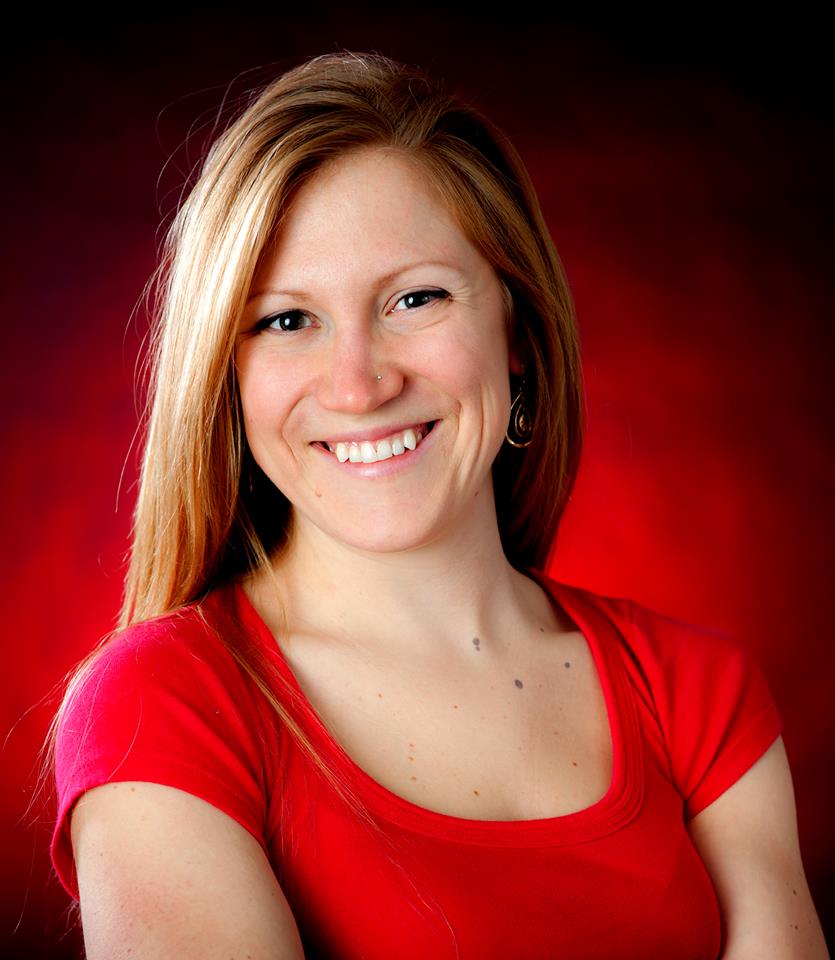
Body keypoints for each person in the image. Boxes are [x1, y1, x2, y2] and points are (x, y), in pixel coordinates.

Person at [48, 51, 828, 959]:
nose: (359, 384)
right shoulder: (163, 705)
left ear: (519, 336)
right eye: (286, 320)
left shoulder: (699, 693)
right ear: (226, 374)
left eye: (415, 298)